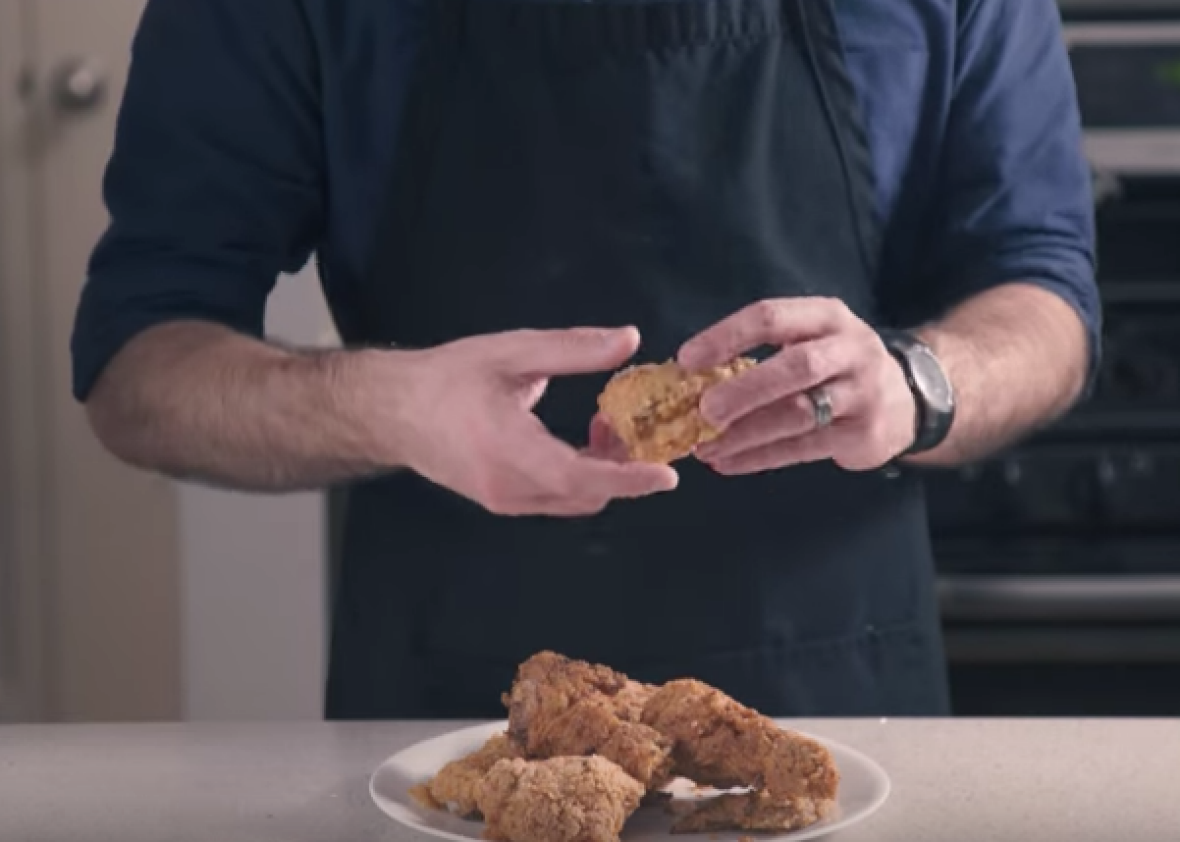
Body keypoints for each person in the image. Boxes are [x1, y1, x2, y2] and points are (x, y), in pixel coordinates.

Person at [72, 0, 1100, 719]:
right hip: (452, 721)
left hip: (841, 704)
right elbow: (142, 366)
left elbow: (1042, 291)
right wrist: (382, 402)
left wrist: (917, 380)